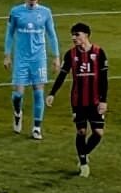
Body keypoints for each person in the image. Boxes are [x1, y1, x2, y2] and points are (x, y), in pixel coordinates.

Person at [46, 22, 109, 177]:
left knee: (98, 133)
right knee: (81, 131)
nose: (74, 38)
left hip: (95, 100)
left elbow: (104, 79)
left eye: (77, 34)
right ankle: (83, 164)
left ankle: (83, 154)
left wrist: (103, 100)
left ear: (86, 35)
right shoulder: (71, 55)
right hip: (78, 101)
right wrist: (52, 93)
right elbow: (62, 76)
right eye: (73, 35)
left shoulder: (99, 52)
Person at [3, 0, 59, 139]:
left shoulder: (46, 12)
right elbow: (9, 34)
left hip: (39, 58)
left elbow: (51, 35)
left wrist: (56, 56)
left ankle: (36, 128)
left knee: (38, 93)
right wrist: (7, 55)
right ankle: (17, 112)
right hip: (21, 59)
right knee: (18, 94)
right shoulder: (16, 12)